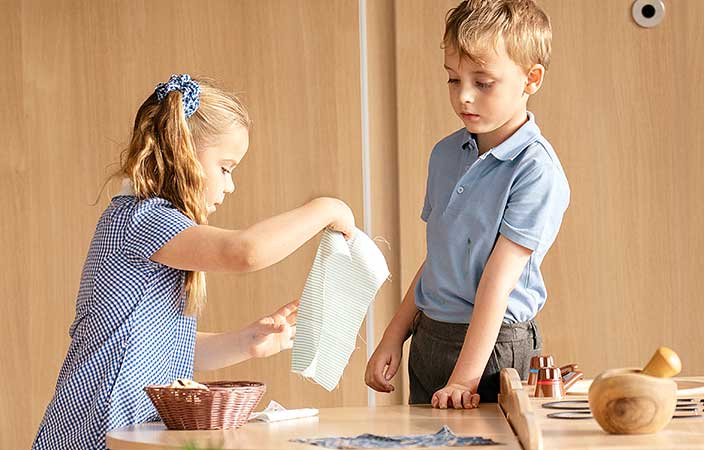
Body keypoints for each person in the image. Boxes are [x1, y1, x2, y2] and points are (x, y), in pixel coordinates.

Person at [32, 74, 355, 449]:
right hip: (100, 422)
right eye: (226, 168)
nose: (230, 186)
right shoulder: (142, 218)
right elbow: (244, 251)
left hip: (127, 424)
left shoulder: (156, 228)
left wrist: (249, 341)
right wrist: (325, 208)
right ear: (183, 153)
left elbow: (170, 348)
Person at [365, 0, 569, 409]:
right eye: (453, 80)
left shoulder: (535, 170)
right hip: (430, 337)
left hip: (492, 349)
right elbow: (438, 257)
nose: (464, 97)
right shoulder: (444, 155)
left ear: (531, 79)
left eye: (483, 82)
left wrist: (465, 378)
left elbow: (498, 281)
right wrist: (394, 335)